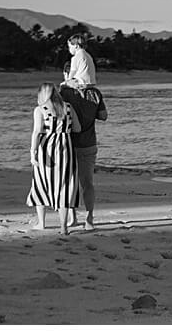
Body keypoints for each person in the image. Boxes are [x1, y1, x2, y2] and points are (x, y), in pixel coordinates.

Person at [27, 84, 80, 234]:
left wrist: (33, 152)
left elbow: (36, 132)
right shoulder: (68, 107)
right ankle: (64, 226)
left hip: (47, 149)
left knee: (41, 183)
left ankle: (42, 222)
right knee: (65, 186)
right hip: (66, 149)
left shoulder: (40, 110)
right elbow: (78, 128)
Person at [60, 68, 108, 229]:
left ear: (67, 75)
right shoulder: (95, 93)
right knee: (87, 182)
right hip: (89, 142)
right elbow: (103, 116)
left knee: (70, 183)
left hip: (69, 143)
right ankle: (89, 219)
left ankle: (72, 217)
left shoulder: (64, 93)